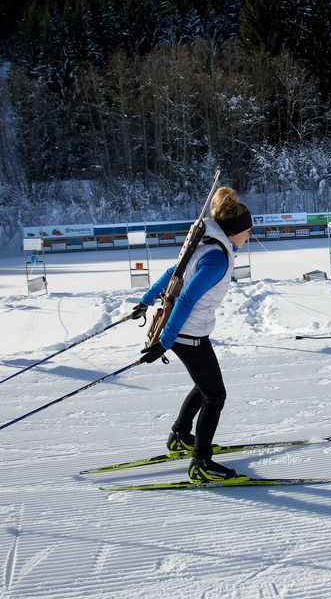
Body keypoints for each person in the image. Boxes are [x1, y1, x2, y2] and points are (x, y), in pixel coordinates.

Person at [132, 186, 253, 484]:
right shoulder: (217, 258)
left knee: (205, 385)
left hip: (187, 332)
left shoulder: (207, 245)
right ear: (235, 231)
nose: (249, 236)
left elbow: (173, 272)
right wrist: (164, 342)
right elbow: (185, 299)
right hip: (188, 334)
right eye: (247, 231)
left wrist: (145, 300)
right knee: (215, 395)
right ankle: (201, 463)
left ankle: (180, 436)